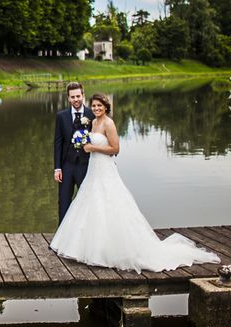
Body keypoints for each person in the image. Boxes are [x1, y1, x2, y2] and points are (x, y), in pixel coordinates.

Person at [50, 93, 220, 273]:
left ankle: (114, 250)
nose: (96, 109)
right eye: (94, 106)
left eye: (99, 106)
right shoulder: (92, 123)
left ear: (106, 107)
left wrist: (93, 147)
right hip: (94, 168)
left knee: (110, 203)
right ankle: (90, 247)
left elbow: (115, 149)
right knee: (90, 203)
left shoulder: (109, 123)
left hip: (105, 169)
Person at [53, 82, 95, 224]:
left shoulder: (92, 114)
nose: (76, 99)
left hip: (86, 165)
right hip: (67, 166)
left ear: (83, 95)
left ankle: (86, 235)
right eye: (73, 97)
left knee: (88, 201)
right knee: (64, 201)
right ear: (68, 98)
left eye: (78, 96)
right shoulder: (61, 116)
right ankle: (61, 238)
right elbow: (58, 143)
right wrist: (57, 168)